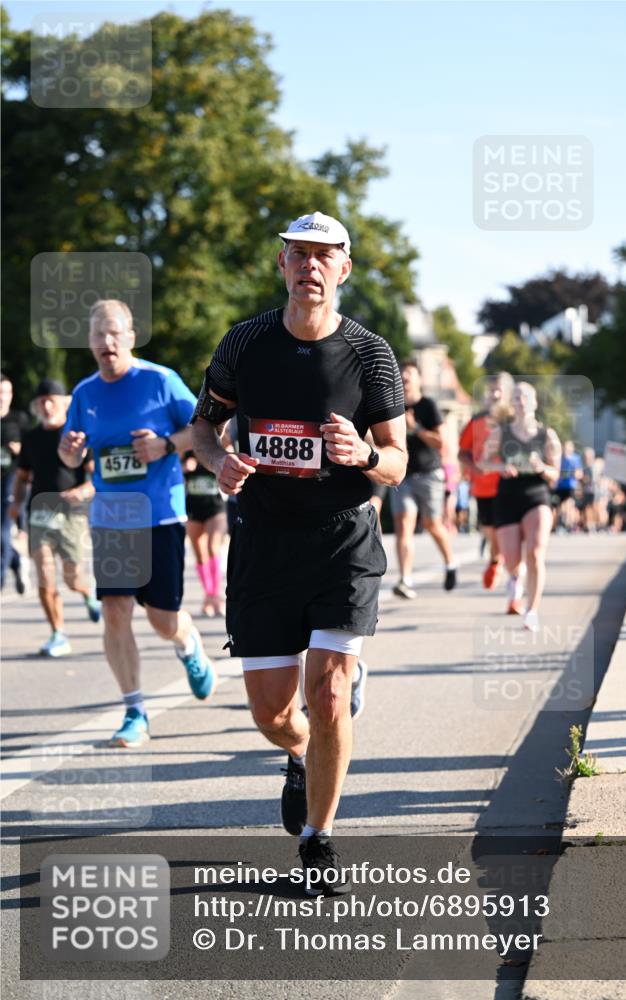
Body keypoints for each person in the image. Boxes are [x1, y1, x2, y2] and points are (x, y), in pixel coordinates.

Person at [192, 211, 406, 889]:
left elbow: (398, 461)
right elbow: (202, 429)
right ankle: (303, 753)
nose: (310, 266)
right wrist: (214, 463)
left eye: (325, 256)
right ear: (280, 264)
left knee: (330, 693)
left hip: (342, 538)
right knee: (272, 714)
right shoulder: (246, 343)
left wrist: (365, 454)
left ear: (343, 269)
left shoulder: (370, 354)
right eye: (299, 254)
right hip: (262, 543)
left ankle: (318, 842)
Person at [58, 299, 216, 748]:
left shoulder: (160, 381)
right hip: (112, 518)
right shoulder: (85, 393)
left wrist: (167, 445)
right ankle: (134, 710)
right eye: (97, 335)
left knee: (162, 619)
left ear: (130, 336)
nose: (106, 342)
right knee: (115, 610)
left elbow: (209, 431)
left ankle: (187, 644)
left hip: (160, 514)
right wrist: (69, 451)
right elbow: (70, 454)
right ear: (89, 342)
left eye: (114, 333)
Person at [9, 379, 100, 655]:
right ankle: (58, 634)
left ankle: (88, 593)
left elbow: (96, 478)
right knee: (45, 574)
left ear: (65, 403)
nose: (46, 405)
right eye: (41, 401)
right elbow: (23, 476)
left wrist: (83, 492)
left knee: (73, 578)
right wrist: (16, 503)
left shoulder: (77, 436)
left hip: (71, 515)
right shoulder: (32, 437)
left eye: (52, 400)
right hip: (39, 513)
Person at [481, 382, 561, 632]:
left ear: (535, 402)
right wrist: (500, 468)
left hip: (537, 494)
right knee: (512, 559)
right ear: (512, 403)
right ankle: (515, 577)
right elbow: (483, 462)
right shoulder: (500, 433)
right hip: (508, 495)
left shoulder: (547, 434)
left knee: (536, 553)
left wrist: (542, 468)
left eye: (526, 396)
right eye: (516, 396)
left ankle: (532, 610)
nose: (521, 400)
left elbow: (555, 474)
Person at [389, 360, 456, 600]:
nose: (405, 378)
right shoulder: (393, 404)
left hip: (429, 474)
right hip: (403, 475)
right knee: (404, 523)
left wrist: (415, 428)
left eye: (409, 374)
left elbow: (441, 442)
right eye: (402, 374)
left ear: (418, 379)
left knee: (432, 525)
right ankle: (405, 579)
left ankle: (450, 563)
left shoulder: (428, 406)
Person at [458, 372, 513, 589]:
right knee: (490, 531)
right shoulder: (477, 420)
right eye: (493, 390)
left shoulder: (513, 420)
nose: (496, 393)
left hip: (508, 485)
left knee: (505, 531)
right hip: (482, 487)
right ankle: (495, 559)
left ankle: (507, 572)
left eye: (500, 389)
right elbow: (462, 452)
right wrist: (473, 468)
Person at [183, 451, 227, 617]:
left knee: (213, 546)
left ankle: (215, 595)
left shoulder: (216, 448)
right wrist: (184, 467)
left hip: (215, 507)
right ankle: (209, 595)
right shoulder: (187, 451)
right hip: (193, 508)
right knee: (200, 554)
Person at [1, 373, 30, 594]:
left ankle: (0, 579)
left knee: (3, 530)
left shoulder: (19, 419)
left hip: (11, 480)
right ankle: (16, 561)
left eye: (7, 392)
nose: (3, 397)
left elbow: (30, 454)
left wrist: (20, 450)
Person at [553, 440, 583, 532]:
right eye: (565, 447)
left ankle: (569, 524)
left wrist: (571, 474)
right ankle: (561, 524)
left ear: (572, 448)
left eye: (569, 447)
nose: (566, 449)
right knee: (561, 507)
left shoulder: (576, 458)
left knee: (569, 504)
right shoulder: (559, 458)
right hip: (560, 486)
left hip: (571, 486)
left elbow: (579, 474)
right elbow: (555, 470)